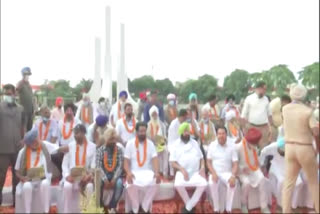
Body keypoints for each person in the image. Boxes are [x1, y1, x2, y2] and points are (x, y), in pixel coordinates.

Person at [282, 84, 319, 213]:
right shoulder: (308, 111)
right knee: (314, 183)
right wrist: (317, 149)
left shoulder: (285, 109)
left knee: (288, 183)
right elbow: (316, 132)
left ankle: (286, 211)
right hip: (305, 147)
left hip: (289, 147)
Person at [15, 129, 60, 213]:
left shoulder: (45, 146)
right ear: (28, 144)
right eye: (33, 142)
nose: (36, 143)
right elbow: (16, 171)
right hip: (29, 180)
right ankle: (27, 211)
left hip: (43, 178)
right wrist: (22, 178)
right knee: (26, 187)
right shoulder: (22, 152)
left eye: (37, 140)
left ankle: (46, 211)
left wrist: (70, 147)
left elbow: (58, 148)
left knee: (45, 184)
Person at [170, 122, 207, 213]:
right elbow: (172, 162)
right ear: (181, 132)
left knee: (204, 183)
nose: (187, 133)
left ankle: (188, 207)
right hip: (182, 172)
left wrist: (202, 167)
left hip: (195, 172)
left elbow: (201, 158)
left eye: (188, 131)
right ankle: (190, 206)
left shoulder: (194, 143)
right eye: (185, 132)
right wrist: (182, 169)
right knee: (177, 184)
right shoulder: (175, 145)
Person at [124, 122, 160, 214]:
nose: (143, 133)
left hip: (147, 172)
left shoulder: (150, 144)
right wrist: (128, 173)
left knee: (157, 181)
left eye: (144, 131)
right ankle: (135, 208)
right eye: (141, 131)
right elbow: (126, 162)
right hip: (134, 173)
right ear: (136, 132)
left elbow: (155, 159)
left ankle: (144, 207)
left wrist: (156, 172)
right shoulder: (130, 143)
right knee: (129, 184)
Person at [260, 137, 304, 212]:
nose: (282, 153)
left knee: (299, 183)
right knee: (281, 182)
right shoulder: (272, 147)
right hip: (276, 164)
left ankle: (293, 204)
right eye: (281, 151)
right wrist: (262, 165)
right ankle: (280, 204)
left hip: (288, 165)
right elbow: (263, 152)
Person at [61, 124, 96, 213]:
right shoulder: (70, 146)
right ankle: (67, 211)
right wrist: (67, 176)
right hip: (72, 177)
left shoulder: (92, 146)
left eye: (78, 133)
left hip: (85, 177)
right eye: (75, 133)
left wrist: (89, 175)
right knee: (67, 186)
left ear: (84, 133)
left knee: (90, 186)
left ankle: (87, 211)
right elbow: (64, 165)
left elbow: (93, 165)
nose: (75, 135)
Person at [0, 84, 25, 206]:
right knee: (1, 175)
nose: (8, 96)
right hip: (2, 148)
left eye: (10, 94)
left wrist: (24, 138)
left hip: (17, 148)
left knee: (17, 176)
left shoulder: (20, 109)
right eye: (6, 94)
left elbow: (24, 124)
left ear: (14, 94)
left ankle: (17, 201)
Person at [235, 128, 271, 213]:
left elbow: (256, 159)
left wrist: (261, 166)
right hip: (242, 172)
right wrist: (241, 169)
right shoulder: (238, 147)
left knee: (262, 179)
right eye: (253, 144)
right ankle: (243, 204)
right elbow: (234, 162)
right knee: (246, 183)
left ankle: (264, 206)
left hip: (254, 169)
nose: (255, 145)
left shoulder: (255, 146)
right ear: (248, 141)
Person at [207, 126, 238, 213]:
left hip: (226, 173)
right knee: (211, 183)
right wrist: (213, 173)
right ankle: (216, 209)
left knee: (232, 184)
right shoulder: (212, 145)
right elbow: (208, 162)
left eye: (223, 134)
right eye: (219, 134)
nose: (221, 136)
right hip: (215, 172)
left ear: (226, 135)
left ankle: (228, 209)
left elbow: (235, 163)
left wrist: (233, 176)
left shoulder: (231, 146)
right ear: (216, 135)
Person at [96, 128, 124, 213]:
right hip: (103, 174)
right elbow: (98, 166)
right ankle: (99, 206)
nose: (113, 142)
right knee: (98, 183)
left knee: (119, 184)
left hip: (115, 175)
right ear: (106, 139)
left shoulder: (119, 150)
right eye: (110, 139)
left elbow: (120, 166)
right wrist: (105, 179)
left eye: (114, 139)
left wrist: (114, 179)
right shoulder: (100, 150)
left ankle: (112, 206)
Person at [241, 81, 273, 149]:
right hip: (252, 127)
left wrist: (271, 128)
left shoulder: (266, 99)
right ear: (258, 88)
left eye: (265, 89)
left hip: (264, 128)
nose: (265, 91)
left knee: (264, 148)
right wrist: (244, 128)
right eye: (264, 89)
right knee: (252, 147)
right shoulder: (249, 98)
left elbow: (269, 114)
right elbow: (244, 114)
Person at [147, 105, 168, 178]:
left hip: (161, 142)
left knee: (165, 151)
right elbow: (148, 137)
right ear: (150, 115)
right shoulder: (148, 125)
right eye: (153, 114)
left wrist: (163, 140)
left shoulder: (162, 124)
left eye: (155, 114)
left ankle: (164, 172)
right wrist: (155, 141)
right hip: (152, 144)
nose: (154, 115)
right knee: (155, 152)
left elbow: (165, 135)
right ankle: (156, 171)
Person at [167, 109, 188, 178]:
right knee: (174, 151)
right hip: (173, 143)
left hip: (181, 142)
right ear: (181, 117)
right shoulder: (174, 124)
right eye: (185, 118)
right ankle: (172, 173)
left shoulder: (184, 123)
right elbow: (173, 138)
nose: (185, 119)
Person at [16, 67, 34, 131]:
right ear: (23, 74)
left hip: (30, 111)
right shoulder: (20, 83)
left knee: (30, 129)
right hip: (24, 111)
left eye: (28, 74)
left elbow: (31, 97)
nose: (28, 76)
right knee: (23, 129)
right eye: (26, 74)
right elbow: (15, 93)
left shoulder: (29, 84)